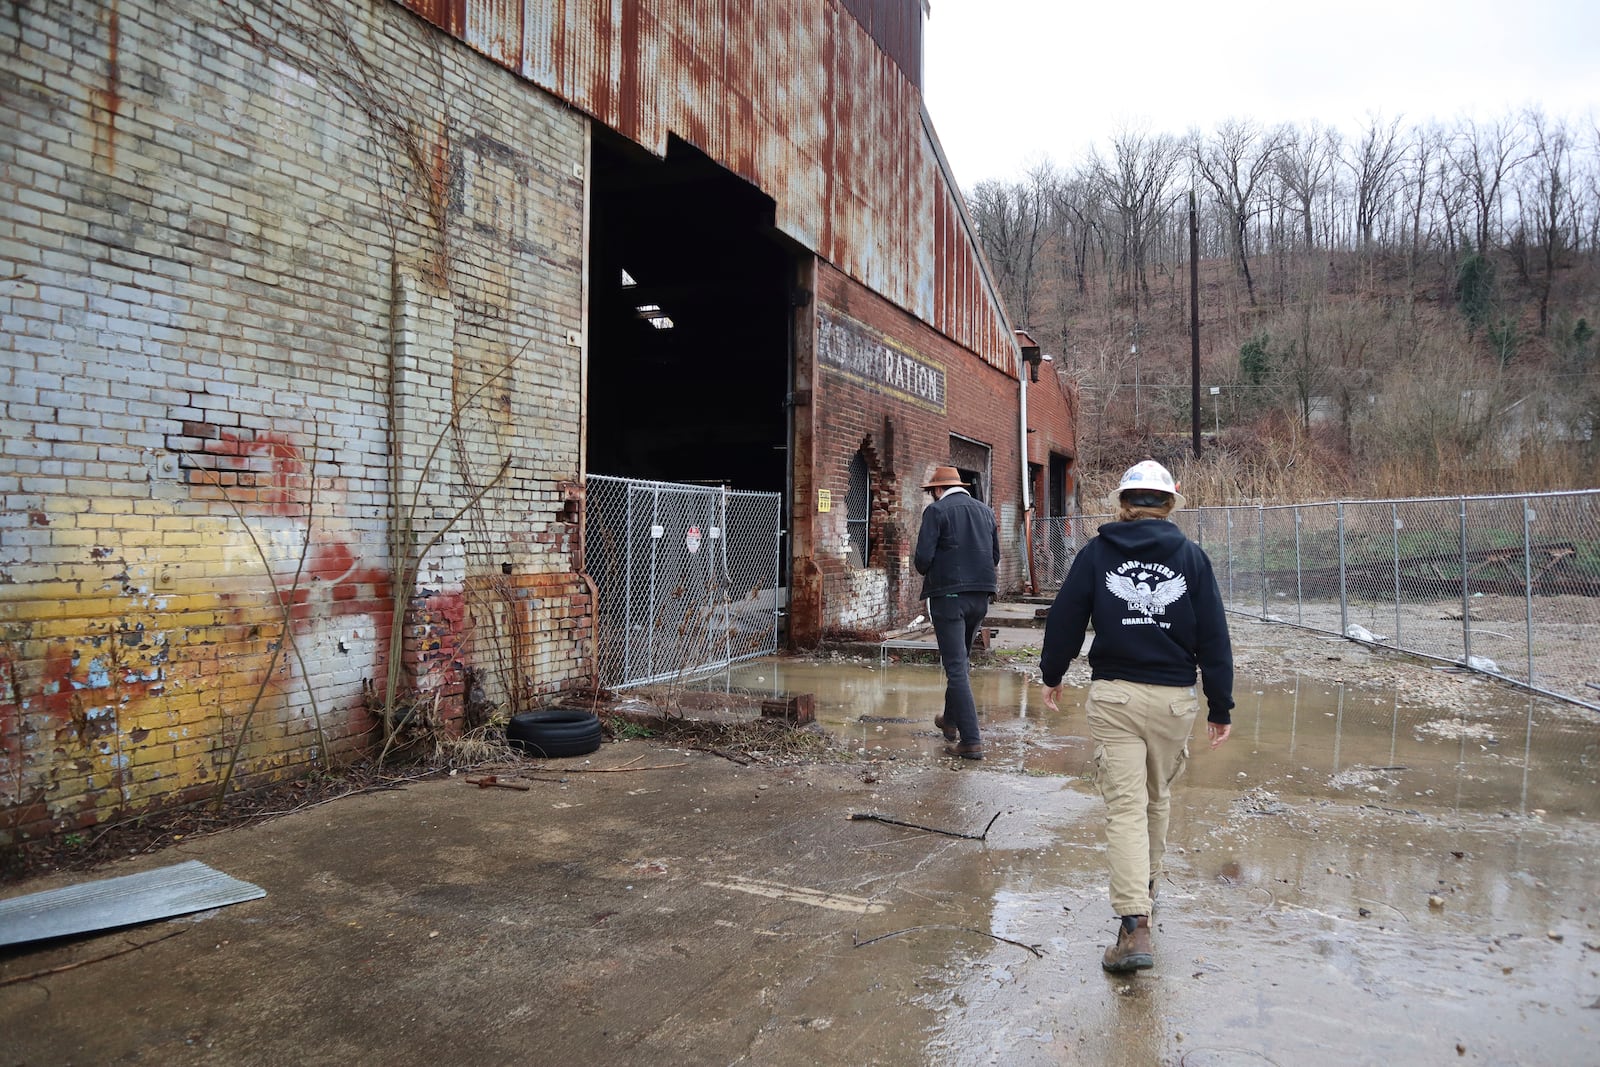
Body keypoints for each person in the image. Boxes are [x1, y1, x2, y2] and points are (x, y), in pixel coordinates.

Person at [1039, 459, 1234, 973]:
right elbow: (1213, 633)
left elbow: (1066, 618)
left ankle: (1134, 927)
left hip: (1116, 698)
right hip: (1173, 699)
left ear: (1124, 504)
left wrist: (1052, 673)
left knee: (1125, 809)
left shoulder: (1098, 553)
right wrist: (1220, 704)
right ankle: (1143, 896)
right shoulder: (1191, 558)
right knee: (1154, 800)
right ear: (1169, 504)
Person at [913, 465, 1001, 760]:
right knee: (961, 661)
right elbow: (996, 556)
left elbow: (922, 560)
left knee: (955, 667)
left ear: (938, 490)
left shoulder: (936, 512)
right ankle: (950, 721)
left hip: (949, 597)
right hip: (981, 596)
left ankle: (971, 741)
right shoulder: (985, 512)